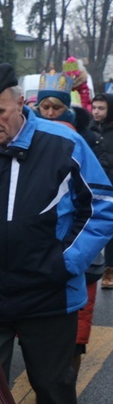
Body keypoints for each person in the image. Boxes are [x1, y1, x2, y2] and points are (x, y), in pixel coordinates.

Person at [0, 62, 113, 404]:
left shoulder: (63, 142)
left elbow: (101, 206)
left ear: (19, 103)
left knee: (52, 388)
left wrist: (65, 263)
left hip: (48, 296)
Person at [35, 72, 112, 375]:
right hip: (38, 253)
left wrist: (71, 257)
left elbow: (100, 197)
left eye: (56, 107)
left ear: (67, 108)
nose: (51, 113)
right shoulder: (28, 140)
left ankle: (65, 387)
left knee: (75, 333)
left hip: (79, 250)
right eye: (45, 108)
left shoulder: (88, 139)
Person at [91, 93, 113, 288]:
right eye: (94, 107)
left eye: (101, 108)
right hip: (93, 187)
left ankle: (109, 269)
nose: (96, 112)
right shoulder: (88, 130)